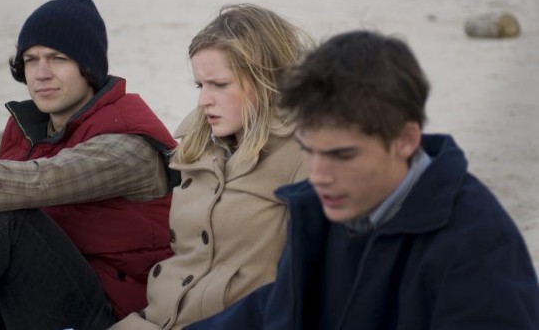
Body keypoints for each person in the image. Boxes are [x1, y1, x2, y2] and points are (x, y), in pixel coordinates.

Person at [185, 30, 539, 329]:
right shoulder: (317, 209)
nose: (319, 176)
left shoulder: (478, 248)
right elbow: (275, 311)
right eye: (309, 150)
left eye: (342, 155)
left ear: (405, 139)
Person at [0, 0, 178, 330]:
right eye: (30, 59)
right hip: (28, 300)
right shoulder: (36, 128)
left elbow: (40, 179)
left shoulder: (127, 145)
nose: (41, 73)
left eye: (57, 58)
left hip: (106, 316)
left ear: (88, 67)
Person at [110, 4, 310, 330]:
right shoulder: (198, 138)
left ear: (265, 78)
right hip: (154, 319)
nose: (204, 100)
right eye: (199, 86)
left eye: (219, 84)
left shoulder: (307, 154)